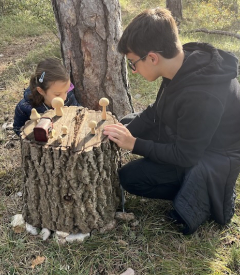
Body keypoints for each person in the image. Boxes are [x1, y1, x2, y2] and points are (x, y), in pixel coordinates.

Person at [103, 8, 240, 234]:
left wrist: (134, 144)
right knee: (127, 122)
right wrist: (126, 132)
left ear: (153, 58)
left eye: (133, 63)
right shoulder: (180, 62)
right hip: (194, 134)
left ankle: (195, 192)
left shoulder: (201, 96)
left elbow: (186, 155)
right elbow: (157, 111)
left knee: (130, 178)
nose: (134, 71)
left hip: (212, 157)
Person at [13, 57, 80, 136]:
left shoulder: (69, 96)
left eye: (66, 91)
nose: (64, 98)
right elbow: (18, 128)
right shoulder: (25, 107)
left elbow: (78, 111)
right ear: (41, 91)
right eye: (57, 94)